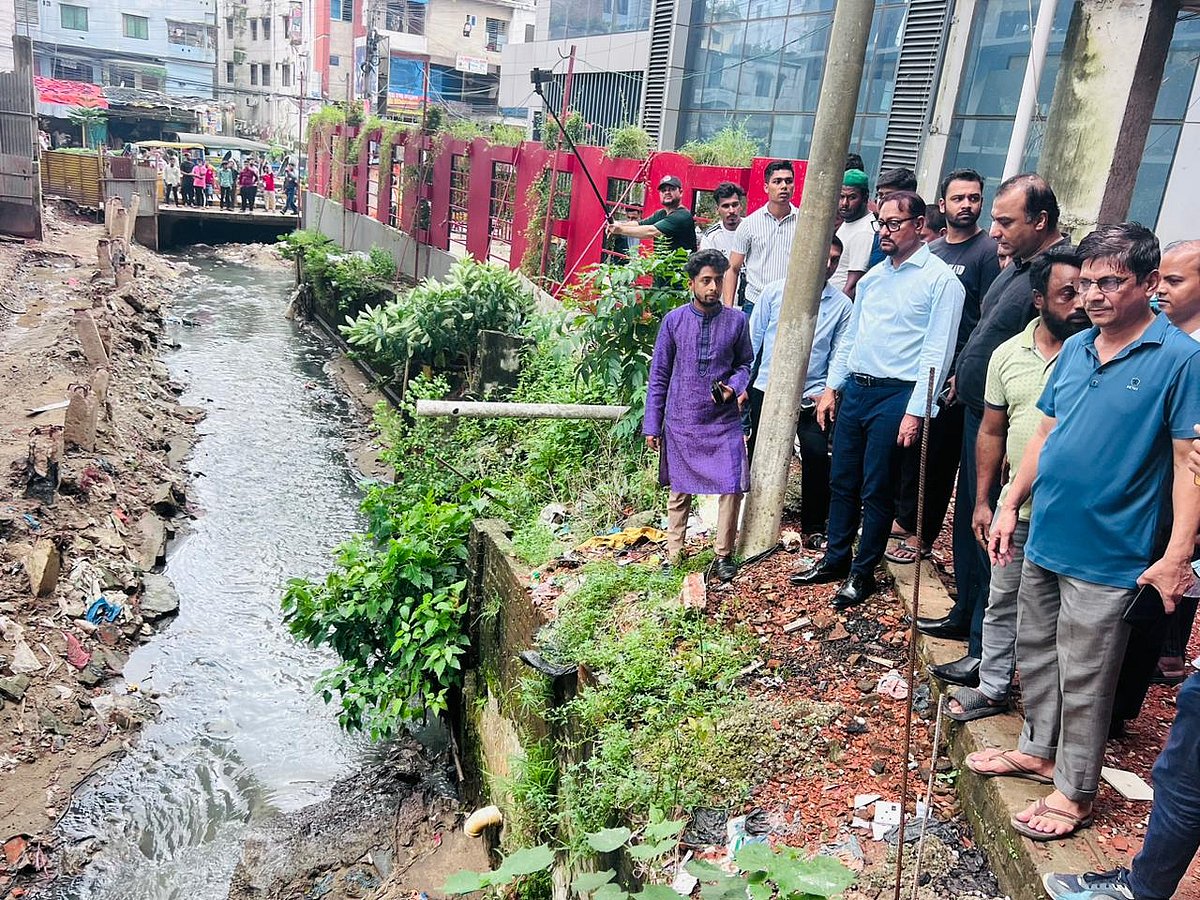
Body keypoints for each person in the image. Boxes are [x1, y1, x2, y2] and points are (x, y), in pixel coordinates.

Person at [970, 223, 1200, 842]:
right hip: (1048, 531)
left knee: (1086, 673)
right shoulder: (1076, 349)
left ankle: (1074, 791)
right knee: (1037, 651)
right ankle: (1038, 751)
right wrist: (1011, 502)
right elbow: (1046, 432)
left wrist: (1177, 554)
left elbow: (1189, 461)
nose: (1094, 295)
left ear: (1148, 283)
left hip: (1112, 547)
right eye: (1087, 283)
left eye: (1111, 282)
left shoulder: (1181, 360)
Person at [916, 174, 1066, 688]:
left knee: (994, 533)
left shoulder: (1055, 276)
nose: (995, 231)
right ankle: (964, 613)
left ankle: (986, 649)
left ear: (1040, 221)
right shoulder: (1017, 267)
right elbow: (990, 329)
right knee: (970, 516)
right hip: (978, 410)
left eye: (1006, 221)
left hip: (1010, 423)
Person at [791, 192, 965, 610]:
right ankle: (835, 557)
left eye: (893, 224)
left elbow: (937, 353)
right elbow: (852, 338)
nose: (884, 232)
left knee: (877, 485)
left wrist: (917, 411)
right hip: (858, 388)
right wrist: (832, 387)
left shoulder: (941, 282)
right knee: (841, 477)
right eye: (880, 224)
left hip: (898, 393)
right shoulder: (873, 278)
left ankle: (862, 571)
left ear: (919, 226)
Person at [943, 246, 1087, 721]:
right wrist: (984, 500)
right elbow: (991, 431)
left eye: (1085, 291)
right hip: (1017, 507)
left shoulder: (1095, 355)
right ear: (1038, 299)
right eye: (1068, 293)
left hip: (1073, 513)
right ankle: (992, 687)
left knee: (1059, 618)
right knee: (1002, 598)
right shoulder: (1007, 355)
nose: (1080, 303)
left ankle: (1052, 717)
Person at [891, 169, 1001, 565]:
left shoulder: (987, 254)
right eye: (958, 198)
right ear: (943, 205)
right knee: (910, 450)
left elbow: (987, 320)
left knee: (937, 458)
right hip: (920, 368)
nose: (966, 205)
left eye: (974, 198)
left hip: (955, 375)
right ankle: (904, 518)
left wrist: (962, 369)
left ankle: (922, 535)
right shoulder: (933, 251)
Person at [643, 249, 753, 584]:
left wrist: (733, 387)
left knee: (731, 483)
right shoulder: (674, 321)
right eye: (706, 280)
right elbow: (659, 375)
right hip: (682, 418)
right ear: (692, 283)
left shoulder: (737, 321)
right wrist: (653, 424)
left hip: (722, 420)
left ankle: (723, 555)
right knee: (679, 490)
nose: (713, 287)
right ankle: (674, 554)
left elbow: (745, 364)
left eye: (718, 280)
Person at [746, 236, 853, 541]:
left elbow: (839, 353)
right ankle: (753, 518)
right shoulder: (774, 292)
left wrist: (830, 390)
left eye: (835, 260)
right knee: (758, 453)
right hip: (768, 386)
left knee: (816, 454)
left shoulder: (841, 305)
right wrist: (744, 384)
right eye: (824, 257)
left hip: (813, 393)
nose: (829, 265)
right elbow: (753, 341)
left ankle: (814, 527)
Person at [723, 160, 798, 317]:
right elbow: (733, 268)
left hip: (791, 304)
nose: (784, 186)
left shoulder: (804, 223)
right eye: (777, 181)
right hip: (755, 303)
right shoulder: (749, 224)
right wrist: (728, 311)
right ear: (766, 187)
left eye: (788, 181)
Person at [607, 175, 697, 256]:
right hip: (665, 266)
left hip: (683, 268)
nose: (667, 192)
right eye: (663, 190)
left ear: (681, 192)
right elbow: (639, 224)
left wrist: (620, 230)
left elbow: (651, 231)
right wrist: (618, 224)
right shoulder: (661, 213)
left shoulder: (682, 216)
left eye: (672, 189)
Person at [831, 169, 877, 299]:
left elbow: (852, 286)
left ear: (865, 198)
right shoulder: (849, 221)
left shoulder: (864, 231)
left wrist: (838, 308)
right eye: (841, 197)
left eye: (852, 197)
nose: (844, 204)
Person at [699, 182, 745, 256]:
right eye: (726, 206)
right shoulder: (710, 237)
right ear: (717, 210)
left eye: (735, 205)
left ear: (741, 206)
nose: (731, 211)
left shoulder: (753, 228)